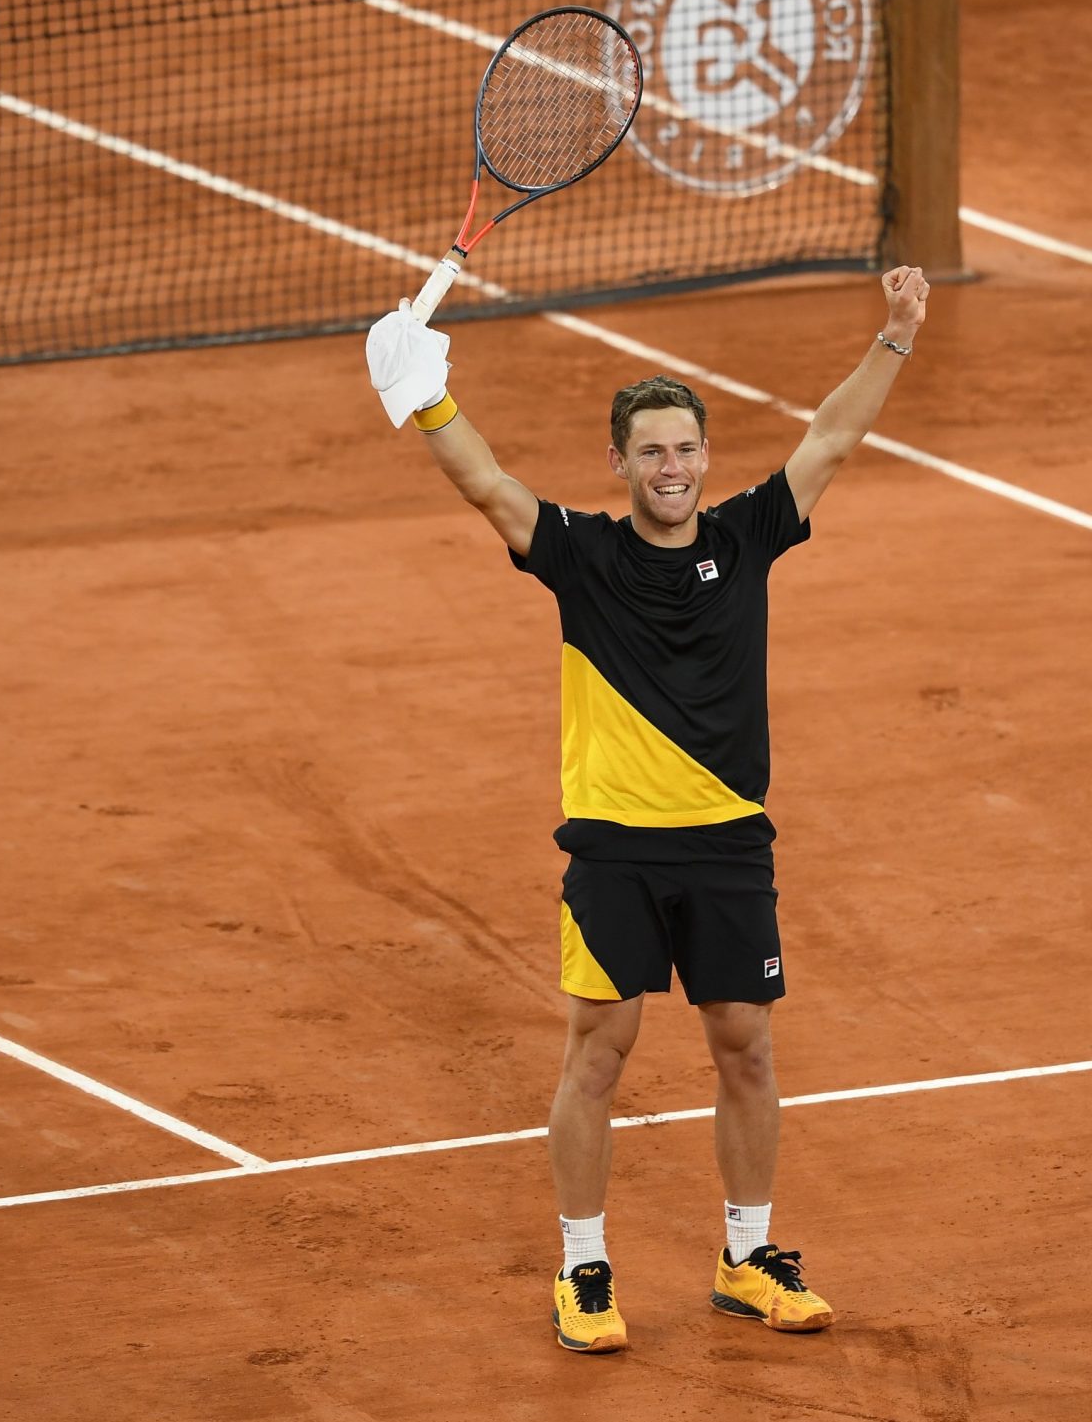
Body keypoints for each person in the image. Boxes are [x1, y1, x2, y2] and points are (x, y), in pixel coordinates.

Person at [365, 267, 931, 1353]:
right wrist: (425, 396)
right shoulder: (580, 555)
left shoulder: (751, 533)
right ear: (618, 463)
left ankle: (746, 1253)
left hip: (728, 843)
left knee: (746, 1047)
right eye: (651, 451)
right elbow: (485, 483)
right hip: (615, 847)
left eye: (685, 449)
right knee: (600, 1050)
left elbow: (832, 440)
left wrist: (895, 336)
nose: (671, 467)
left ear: (704, 457)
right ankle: (582, 1268)